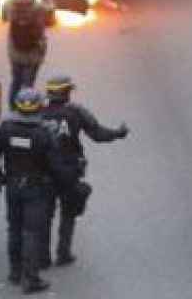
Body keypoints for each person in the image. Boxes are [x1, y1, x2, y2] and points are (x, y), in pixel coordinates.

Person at [40, 74, 128, 266]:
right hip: (70, 170)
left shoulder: (37, 112)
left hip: (44, 171)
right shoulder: (76, 112)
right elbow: (98, 134)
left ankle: (42, 258)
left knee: (44, 214)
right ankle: (63, 253)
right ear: (66, 93)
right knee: (69, 212)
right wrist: (118, 133)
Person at [0, 88, 57, 293]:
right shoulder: (45, 131)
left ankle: (15, 273)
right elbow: (55, 164)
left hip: (13, 186)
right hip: (37, 188)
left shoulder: (5, 128)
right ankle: (31, 279)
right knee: (32, 233)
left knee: (14, 229)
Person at [3, 0, 55, 105]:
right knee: (28, 83)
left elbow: (3, 17)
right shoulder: (37, 8)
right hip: (34, 52)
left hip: (15, 51)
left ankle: (12, 108)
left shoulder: (9, 5)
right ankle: (27, 107)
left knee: (16, 81)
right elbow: (52, 6)